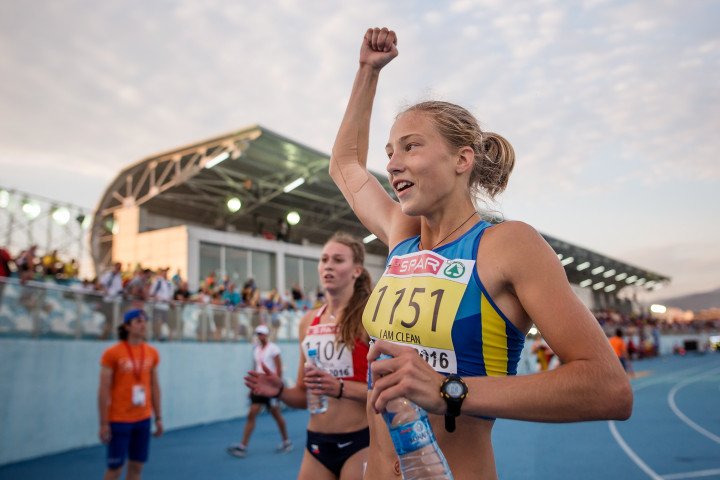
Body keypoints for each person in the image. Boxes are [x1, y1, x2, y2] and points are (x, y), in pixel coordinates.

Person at [328, 27, 633, 479]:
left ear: (462, 159)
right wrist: (367, 72)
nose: (392, 164)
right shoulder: (400, 235)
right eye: (391, 152)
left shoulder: (507, 245)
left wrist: (451, 390)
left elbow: (609, 389)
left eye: (411, 147)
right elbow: (346, 164)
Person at [245, 233, 373, 479]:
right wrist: (281, 391)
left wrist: (340, 388)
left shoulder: (369, 317)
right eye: (324, 260)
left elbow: (385, 392)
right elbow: (304, 395)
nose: (328, 266)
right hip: (316, 442)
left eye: (338, 260)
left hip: (360, 441)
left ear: (356, 270)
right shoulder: (307, 322)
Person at [98, 309, 162, 480]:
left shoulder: (151, 352)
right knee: (115, 469)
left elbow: (154, 386)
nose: (143, 324)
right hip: (119, 420)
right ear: (127, 326)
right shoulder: (112, 353)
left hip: (143, 419)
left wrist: (158, 417)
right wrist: (104, 423)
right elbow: (103, 389)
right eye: (138, 321)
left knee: (136, 468)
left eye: (145, 320)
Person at [227, 324, 293, 458]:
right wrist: (252, 387)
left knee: (276, 415)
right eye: (258, 334)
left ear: (267, 335)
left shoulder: (274, 349)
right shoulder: (256, 349)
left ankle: (286, 441)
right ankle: (243, 446)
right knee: (252, 413)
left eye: (262, 334)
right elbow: (255, 367)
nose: (260, 336)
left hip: (271, 388)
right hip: (259, 388)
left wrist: (277, 387)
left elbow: (279, 368)